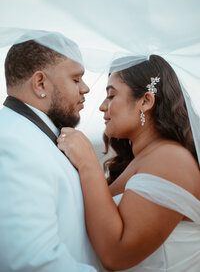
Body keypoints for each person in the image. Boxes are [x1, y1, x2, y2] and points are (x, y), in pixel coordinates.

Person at [57, 55, 200, 271]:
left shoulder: (171, 159)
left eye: (111, 95)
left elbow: (117, 256)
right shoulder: (140, 160)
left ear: (145, 101)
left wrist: (88, 163)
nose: (102, 107)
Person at [0, 33, 104, 272]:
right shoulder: (12, 142)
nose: (86, 88)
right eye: (76, 79)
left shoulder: (32, 135)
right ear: (40, 84)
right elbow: (31, 261)